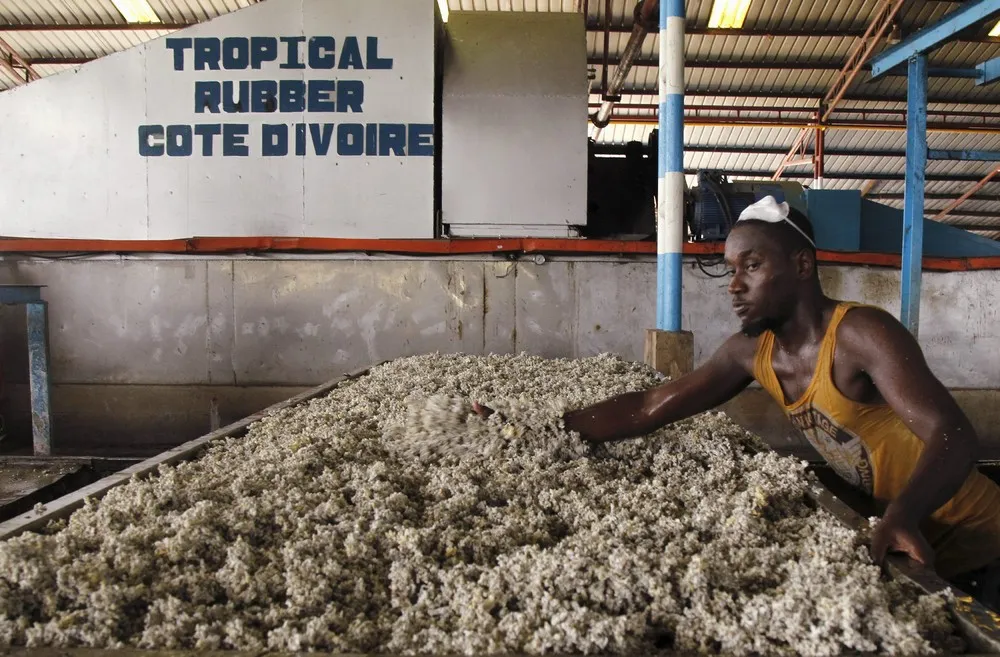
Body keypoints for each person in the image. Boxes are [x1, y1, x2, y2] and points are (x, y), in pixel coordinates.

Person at [475, 195, 1000, 607]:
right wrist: (537, 428)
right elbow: (649, 406)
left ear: (800, 265)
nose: (734, 285)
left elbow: (953, 436)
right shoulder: (752, 353)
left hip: (977, 538)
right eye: (730, 269)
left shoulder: (861, 334)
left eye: (751, 266)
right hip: (905, 540)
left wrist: (903, 513)